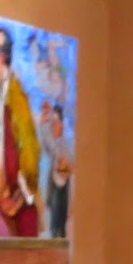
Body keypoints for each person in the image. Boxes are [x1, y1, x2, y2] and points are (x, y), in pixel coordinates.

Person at [0, 26, 41, 237]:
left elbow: (29, 148)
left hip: (15, 211)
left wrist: (17, 200)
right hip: (0, 206)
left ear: (2, 57)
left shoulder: (16, 98)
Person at [39, 102, 74, 239]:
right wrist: (44, 125)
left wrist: (44, 127)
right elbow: (48, 147)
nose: (54, 126)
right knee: (55, 226)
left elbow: (61, 155)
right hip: (56, 185)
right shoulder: (57, 141)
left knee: (60, 225)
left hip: (62, 185)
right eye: (52, 123)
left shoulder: (64, 142)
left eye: (56, 123)